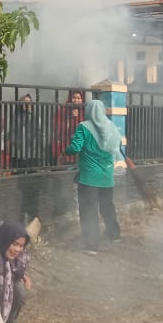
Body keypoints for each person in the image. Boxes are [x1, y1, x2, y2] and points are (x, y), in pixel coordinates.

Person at [65, 99, 121, 254]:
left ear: (88, 110)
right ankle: (114, 234)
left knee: (89, 209)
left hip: (89, 178)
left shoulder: (83, 127)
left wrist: (66, 151)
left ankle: (91, 245)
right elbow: (117, 149)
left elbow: (75, 147)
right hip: (107, 176)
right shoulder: (112, 127)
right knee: (107, 206)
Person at [52, 88, 85, 165]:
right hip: (65, 146)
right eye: (74, 97)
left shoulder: (84, 112)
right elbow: (58, 128)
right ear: (70, 98)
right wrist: (71, 117)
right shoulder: (63, 111)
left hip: (80, 147)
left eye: (78, 98)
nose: (76, 100)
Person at [9, 93, 40, 172]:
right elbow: (12, 131)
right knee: (19, 172)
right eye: (25, 102)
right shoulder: (16, 116)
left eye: (29, 102)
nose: (28, 104)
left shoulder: (34, 116)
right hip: (19, 150)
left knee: (32, 173)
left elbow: (38, 131)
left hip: (32, 150)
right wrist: (16, 144)